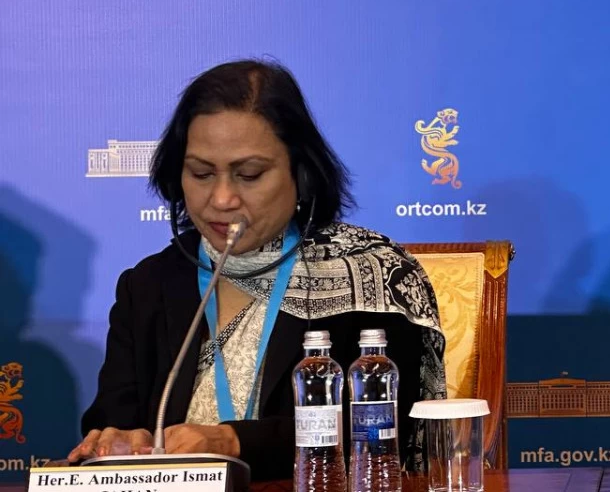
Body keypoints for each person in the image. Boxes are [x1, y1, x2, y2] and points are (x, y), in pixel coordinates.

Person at [68, 60, 446, 480]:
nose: (222, 199)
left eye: (248, 175)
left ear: (302, 174)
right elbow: (110, 421)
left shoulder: (371, 277)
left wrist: (233, 442)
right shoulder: (148, 285)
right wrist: (119, 442)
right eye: (201, 173)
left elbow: (378, 431)